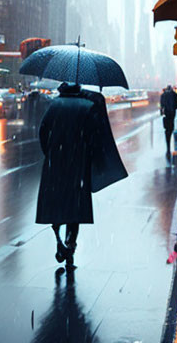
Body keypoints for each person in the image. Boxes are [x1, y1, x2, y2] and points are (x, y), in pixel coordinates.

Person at [36, 83, 101, 268]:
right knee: (75, 208)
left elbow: (42, 131)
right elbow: (94, 137)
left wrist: (49, 153)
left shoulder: (55, 106)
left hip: (56, 163)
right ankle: (70, 247)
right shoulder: (86, 107)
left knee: (56, 204)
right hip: (78, 165)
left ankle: (58, 239)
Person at [160, 85, 177, 158]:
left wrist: (161, 112)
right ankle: (170, 142)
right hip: (172, 114)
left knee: (167, 130)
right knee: (171, 127)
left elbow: (162, 105)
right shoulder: (174, 94)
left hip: (166, 114)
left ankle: (168, 146)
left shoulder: (163, 95)